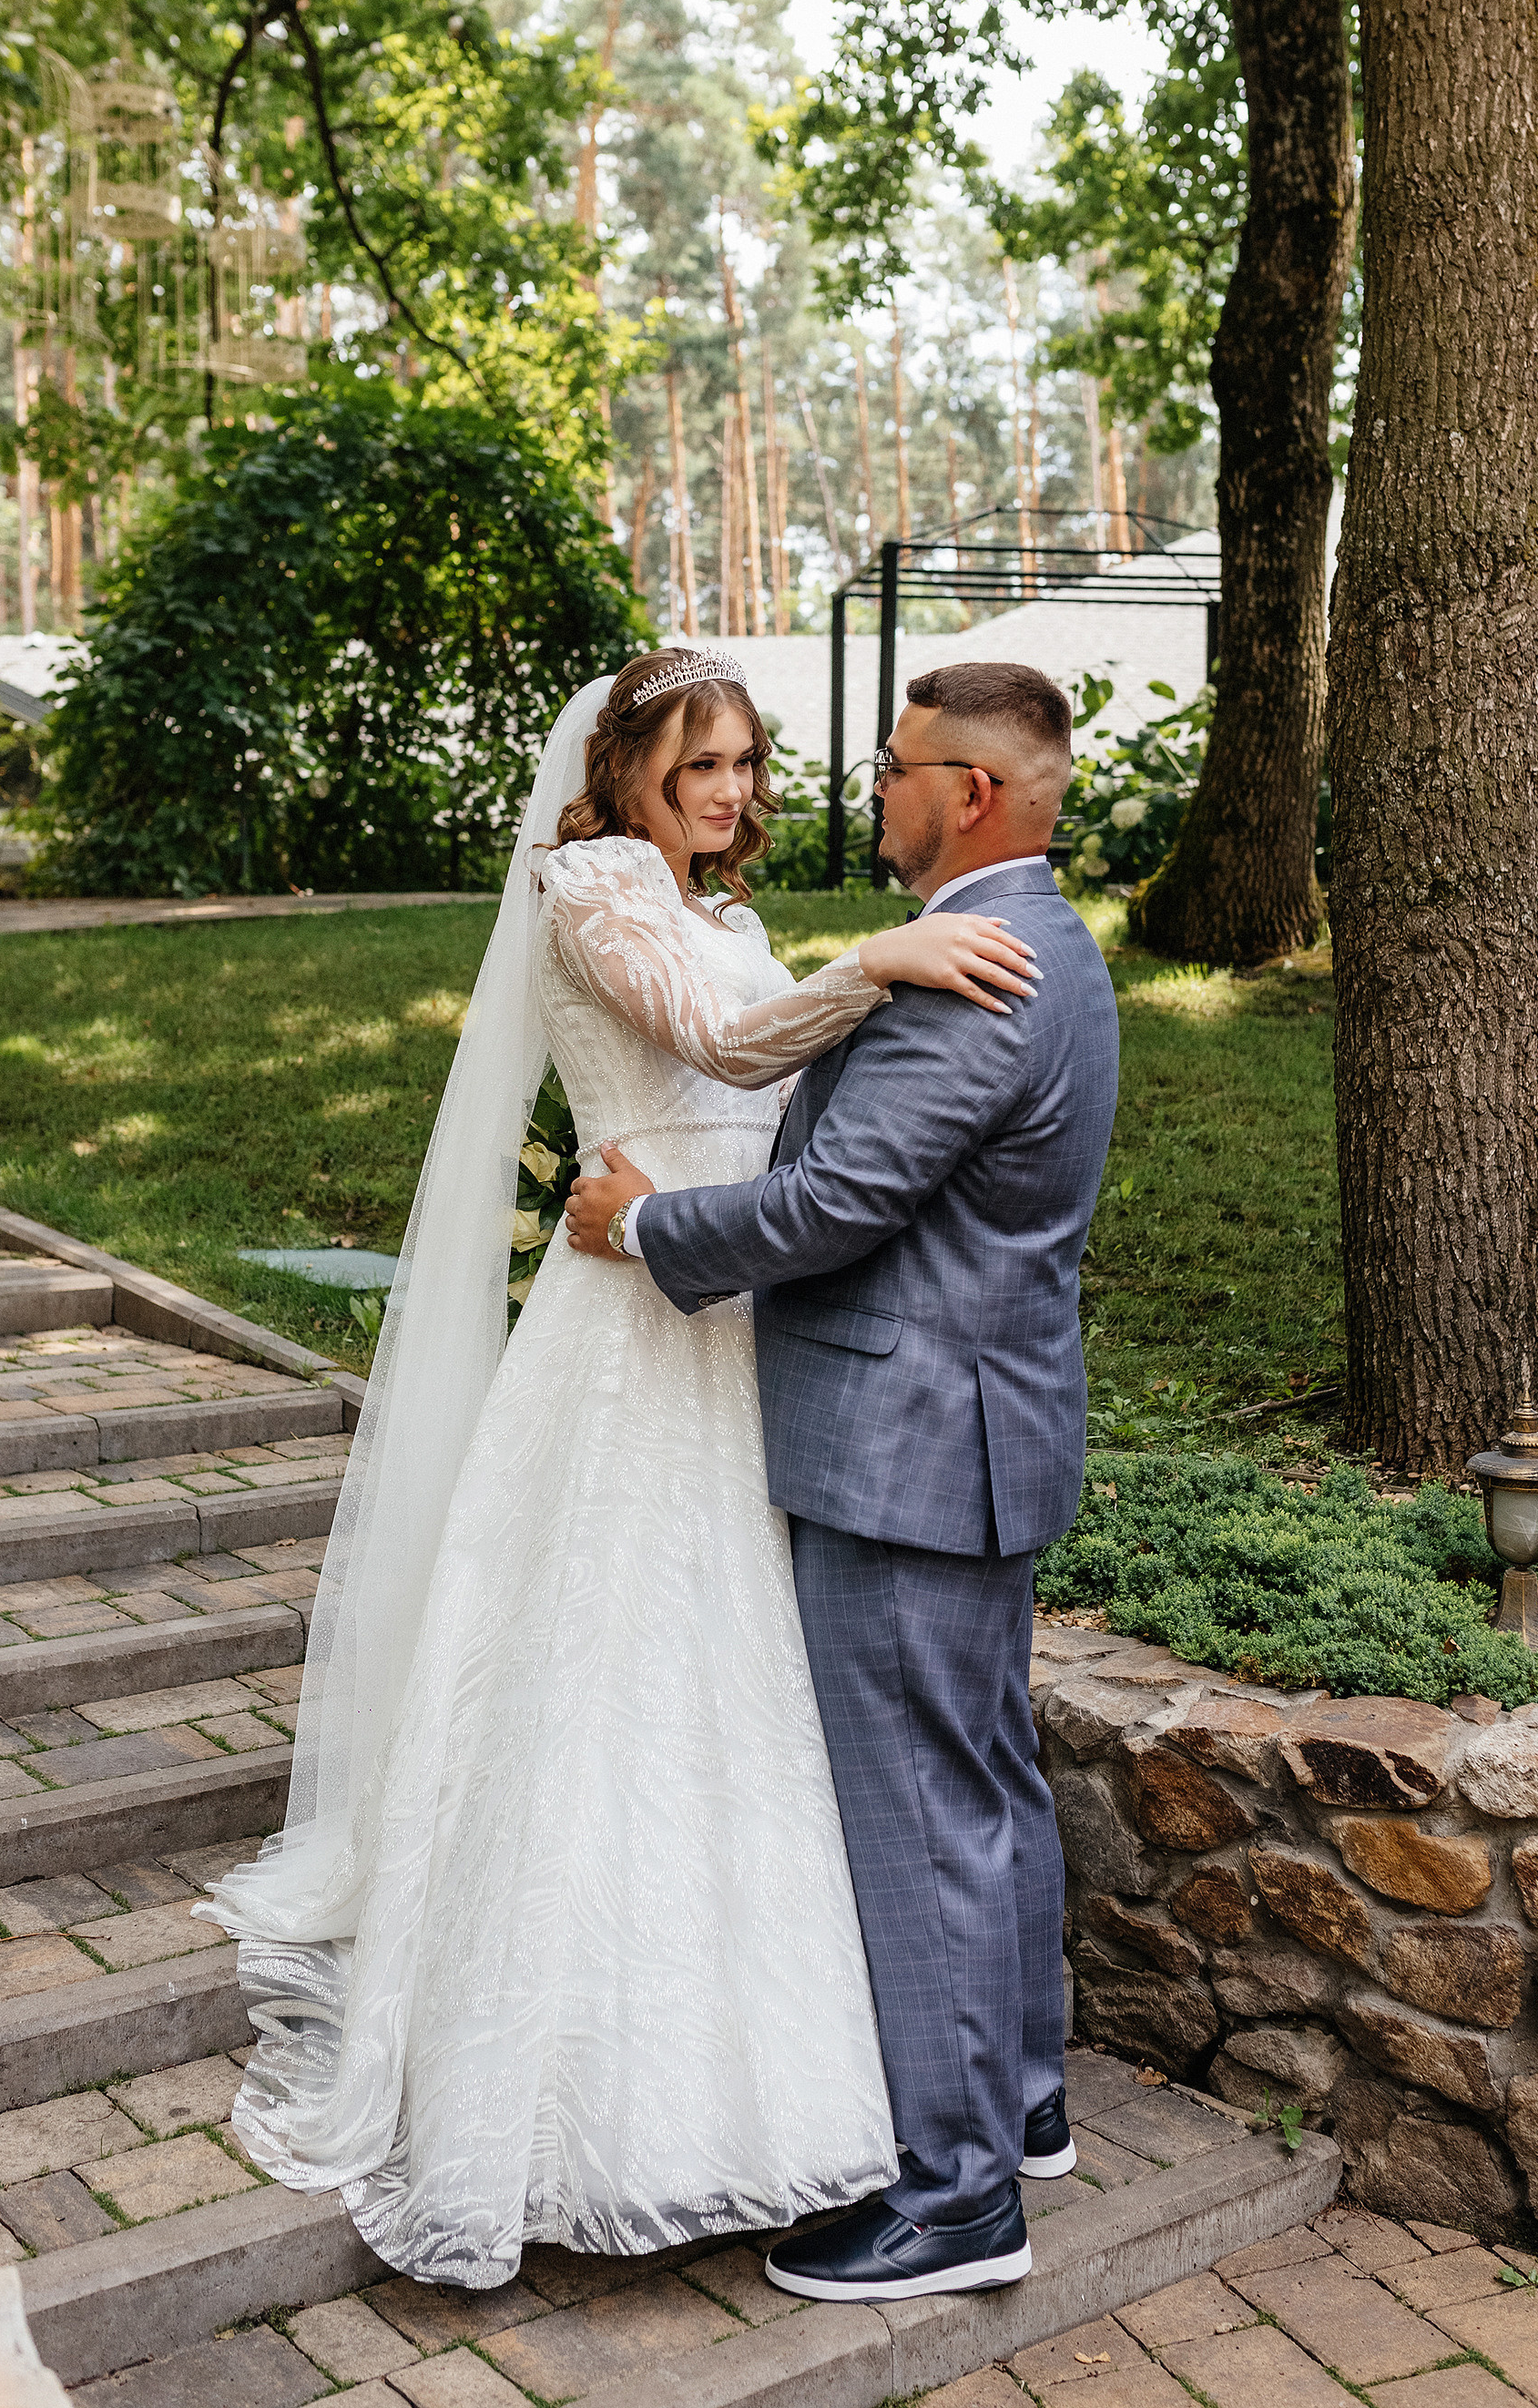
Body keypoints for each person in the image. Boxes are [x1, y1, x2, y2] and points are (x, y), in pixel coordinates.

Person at [202, 646, 1039, 2291]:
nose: (728, 792)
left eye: (744, 764)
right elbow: (724, 1049)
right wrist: (881, 961)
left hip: (728, 1309)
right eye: (695, 765)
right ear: (626, 771)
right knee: (611, 1661)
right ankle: (585, 2074)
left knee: (739, 1673)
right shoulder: (588, 887)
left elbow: (783, 1092)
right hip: (630, 1331)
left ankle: (810, 2070)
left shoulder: (721, 908)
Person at [566, 658, 1121, 2302]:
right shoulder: (1053, 941)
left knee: (925, 1813)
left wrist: (643, 1223)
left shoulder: (968, 981)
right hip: (984, 1427)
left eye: (896, 766)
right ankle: (1020, 2103)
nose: (869, 786)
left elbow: (832, 1206)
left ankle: (954, 2203)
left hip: (905, 1450)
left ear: (971, 794)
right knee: (988, 1781)